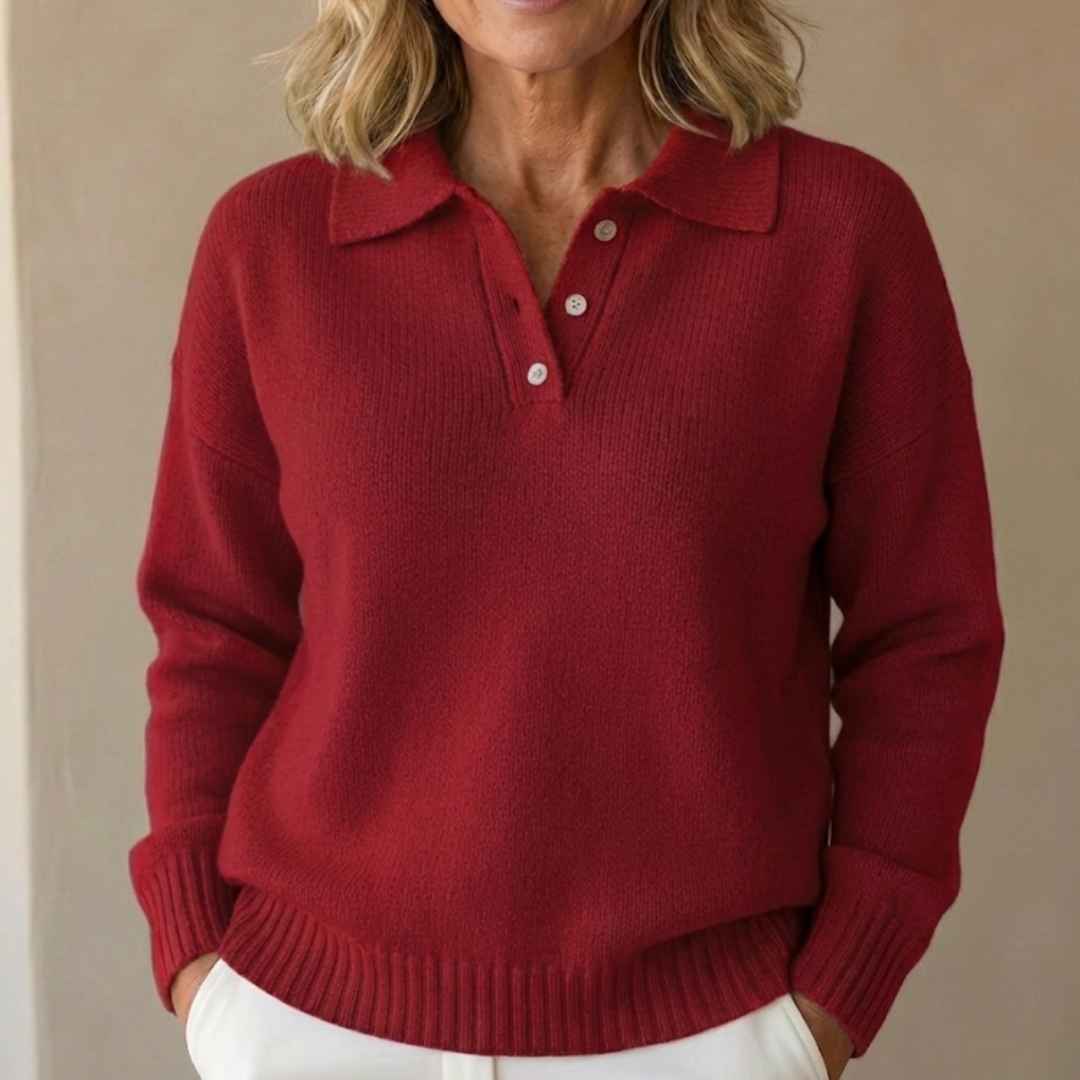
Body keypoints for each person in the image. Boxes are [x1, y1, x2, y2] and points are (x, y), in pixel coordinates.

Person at [128, 1, 1006, 1078]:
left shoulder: (841, 232)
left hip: (708, 1036)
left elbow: (927, 639)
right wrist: (202, 969)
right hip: (309, 1024)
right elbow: (212, 627)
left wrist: (829, 1000)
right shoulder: (268, 241)